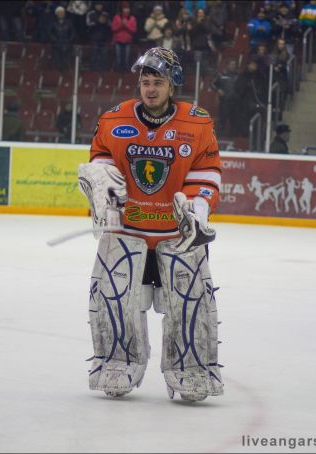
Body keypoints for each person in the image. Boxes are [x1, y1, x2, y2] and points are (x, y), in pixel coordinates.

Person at [77, 47, 223, 400]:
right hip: (126, 232)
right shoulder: (114, 120)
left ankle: (191, 367)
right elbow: (101, 158)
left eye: (158, 82)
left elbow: (206, 171)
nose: (150, 89)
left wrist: (197, 210)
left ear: (173, 85)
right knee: (115, 298)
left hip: (177, 234)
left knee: (189, 302)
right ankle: (116, 361)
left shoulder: (197, 123)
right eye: (145, 82)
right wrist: (103, 183)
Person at [210, 58, 238, 136]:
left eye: (234, 64)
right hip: (224, 101)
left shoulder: (237, 76)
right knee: (222, 119)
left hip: (235, 101)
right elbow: (212, 84)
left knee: (234, 120)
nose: (233, 66)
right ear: (227, 65)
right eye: (231, 64)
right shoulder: (221, 75)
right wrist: (218, 90)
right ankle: (220, 136)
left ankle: (233, 136)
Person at [49, 6, 76, 72]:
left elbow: (73, 32)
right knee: (57, 62)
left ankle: (65, 75)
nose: (61, 14)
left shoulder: (69, 22)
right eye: (59, 12)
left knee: (66, 62)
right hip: (56, 45)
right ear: (56, 14)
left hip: (67, 45)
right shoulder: (53, 22)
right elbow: (50, 33)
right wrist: (55, 40)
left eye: (62, 12)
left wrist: (69, 40)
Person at [111, 2, 137, 72]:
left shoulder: (132, 18)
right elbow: (113, 29)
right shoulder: (117, 17)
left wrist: (126, 26)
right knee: (118, 57)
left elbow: (134, 30)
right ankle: (118, 72)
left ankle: (127, 72)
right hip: (118, 40)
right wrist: (121, 25)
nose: (126, 10)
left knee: (127, 58)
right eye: (125, 9)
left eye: (127, 9)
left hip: (128, 40)